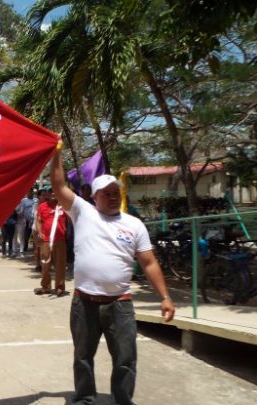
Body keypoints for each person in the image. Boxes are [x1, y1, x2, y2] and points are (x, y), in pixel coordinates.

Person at [50, 146, 175, 405]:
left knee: (125, 360)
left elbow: (149, 262)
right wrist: (56, 154)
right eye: (106, 193)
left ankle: (122, 401)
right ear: (94, 197)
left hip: (120, 304)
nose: (112, 197)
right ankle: (84, 399)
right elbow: (59, 185)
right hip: (84, 302)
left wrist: (165, 296)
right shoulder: (83, 212)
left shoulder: (134, 225)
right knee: (83, 357)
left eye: (115, 193)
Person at [34, 187, 67, 296]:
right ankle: (45, 286)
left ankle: (59, 287)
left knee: (60, 265)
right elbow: (38, 221)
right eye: (51, 192)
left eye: (55, 192)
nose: (53, 194)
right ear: (48, 194)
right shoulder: (42, 206)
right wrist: (40, 232)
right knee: (45, 264)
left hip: (60, 240)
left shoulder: (64, 206)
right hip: (46, 240)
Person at [14, 190, 36, 258]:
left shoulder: (23, 202)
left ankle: (22, 251)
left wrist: (18, 212)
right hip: (15, 221)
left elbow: (21, 212)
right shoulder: (20, 201)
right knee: (14, 237)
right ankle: (14, 251)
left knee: (22, 237)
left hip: (23, 221)